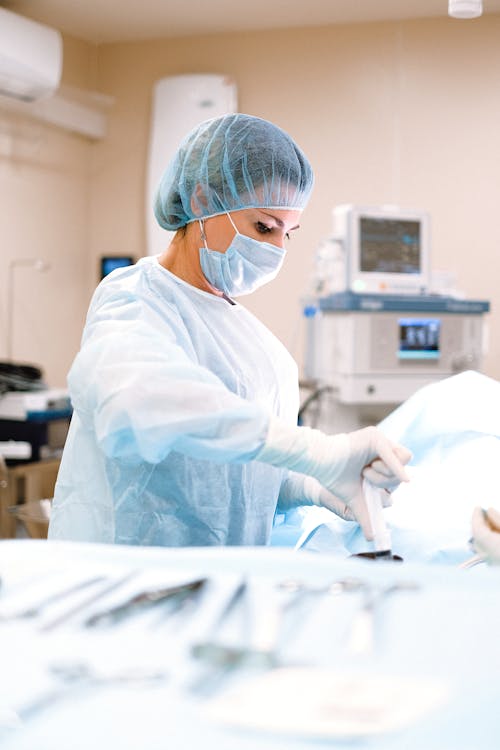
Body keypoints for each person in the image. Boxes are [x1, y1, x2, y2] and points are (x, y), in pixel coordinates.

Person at [48, 113, 411, 547]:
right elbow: (139, 400)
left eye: (287, 233)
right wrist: (316, 452)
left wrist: (313, 486)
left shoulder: (260, 347)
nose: (276, 248)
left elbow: (242, 479)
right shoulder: (135, 299)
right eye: (264, 226)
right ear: (202, 199)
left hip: (221, 584)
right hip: (127, 581)